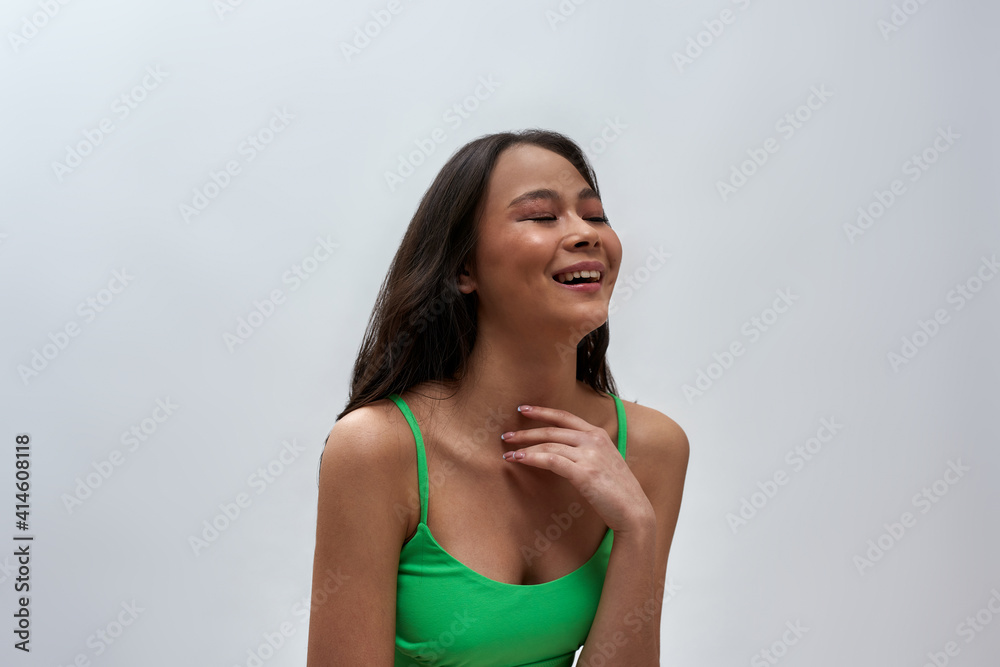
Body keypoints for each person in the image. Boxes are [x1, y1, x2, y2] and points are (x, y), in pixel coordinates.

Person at [306, 129, 689, 666]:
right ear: (465, 268)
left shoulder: (652, 449)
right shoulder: (376, 449)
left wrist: (635, 526)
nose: (586, 234)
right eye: (541, 215)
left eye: (595, 215)